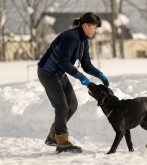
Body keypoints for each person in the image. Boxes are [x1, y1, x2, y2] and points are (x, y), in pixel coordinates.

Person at [37, 12, 109, 153]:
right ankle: (62, 142)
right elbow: (64, 62)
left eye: (96, 28)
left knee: (72, 104)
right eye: (94, 27)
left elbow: (86, 64)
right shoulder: (72, 37)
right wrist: (81, 78)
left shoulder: (83, 41)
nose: (96, 30)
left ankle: (53, 136)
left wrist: (99, 74)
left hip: (58, 73)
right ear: (85, 25)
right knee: (62, 106)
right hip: (47, 72)